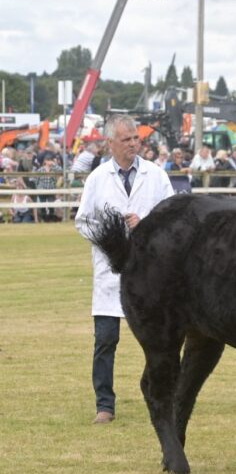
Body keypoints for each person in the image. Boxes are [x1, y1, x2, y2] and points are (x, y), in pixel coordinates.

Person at [75, 114, 174, 424]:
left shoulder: (157, 176)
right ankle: (105, 404)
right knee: (106, 340)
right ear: (111, 143)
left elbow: (173, 220)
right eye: (127, 139)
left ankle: (163, 398)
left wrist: (144, 225)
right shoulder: (97, 179)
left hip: (149, 273)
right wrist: (112, 229)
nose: (134, 144)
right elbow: (82, 222)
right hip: (110, 272)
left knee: (158, 341)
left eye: (136, 139)